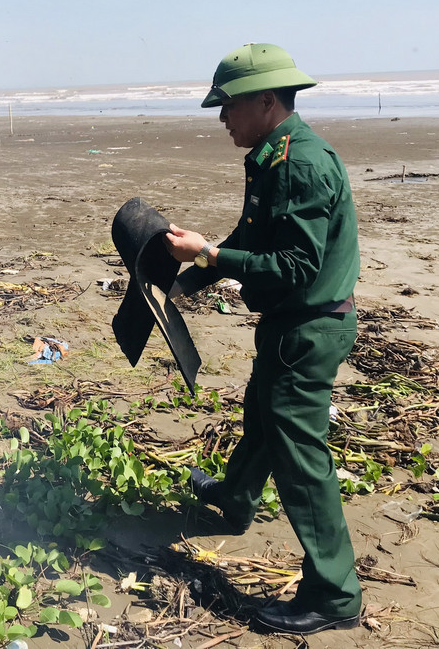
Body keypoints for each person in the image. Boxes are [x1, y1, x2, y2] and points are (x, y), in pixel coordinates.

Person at [163, 43, 362, 635]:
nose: (222, 116)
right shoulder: (275, 156)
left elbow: (297, 265)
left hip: (309, 326)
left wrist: (212, 252)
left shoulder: (301, 163)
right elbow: (254, 235)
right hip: (291, 324)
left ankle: (334, 594)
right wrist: (192, 276)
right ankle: (234, 498)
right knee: (261, 413)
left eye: (227, 104)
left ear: (266, 100)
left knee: (300, 458)